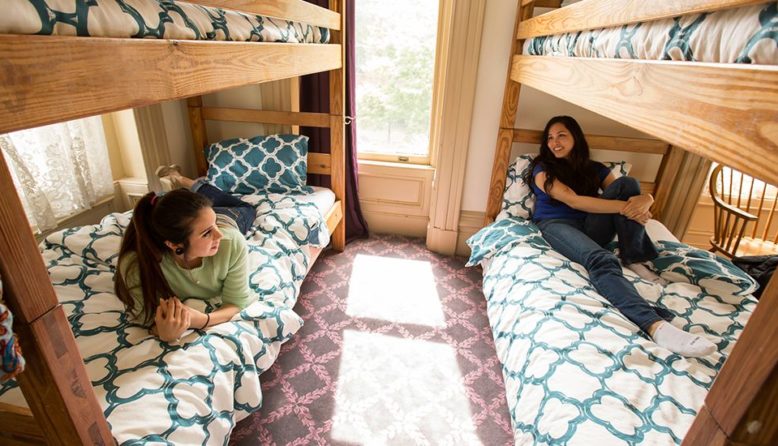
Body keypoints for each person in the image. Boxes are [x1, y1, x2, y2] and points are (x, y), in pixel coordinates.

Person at [524, 116, 716, 358]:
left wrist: (648, 200)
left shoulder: (595, 169)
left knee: (628, 183)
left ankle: (634, 257)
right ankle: (656, 326)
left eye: (561, 135)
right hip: (556, 224)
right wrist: (627, 207)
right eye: (550, 138)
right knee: (601, 259)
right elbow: (573, 200)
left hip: (591, 225)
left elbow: (630, 198)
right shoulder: (543, 169)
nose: (554, 142)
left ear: (576, 138)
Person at [114, 165, 257, 342]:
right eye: (207, 234)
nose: (217, 235)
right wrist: (162, 332)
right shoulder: (137, 265)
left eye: (213, 229)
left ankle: (182, 180)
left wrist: (203, 320)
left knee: (247, 208)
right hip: (197, 220)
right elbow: (147, 318)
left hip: (227, 220)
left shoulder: (230, 241)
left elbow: (236, 302)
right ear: (174, 245)